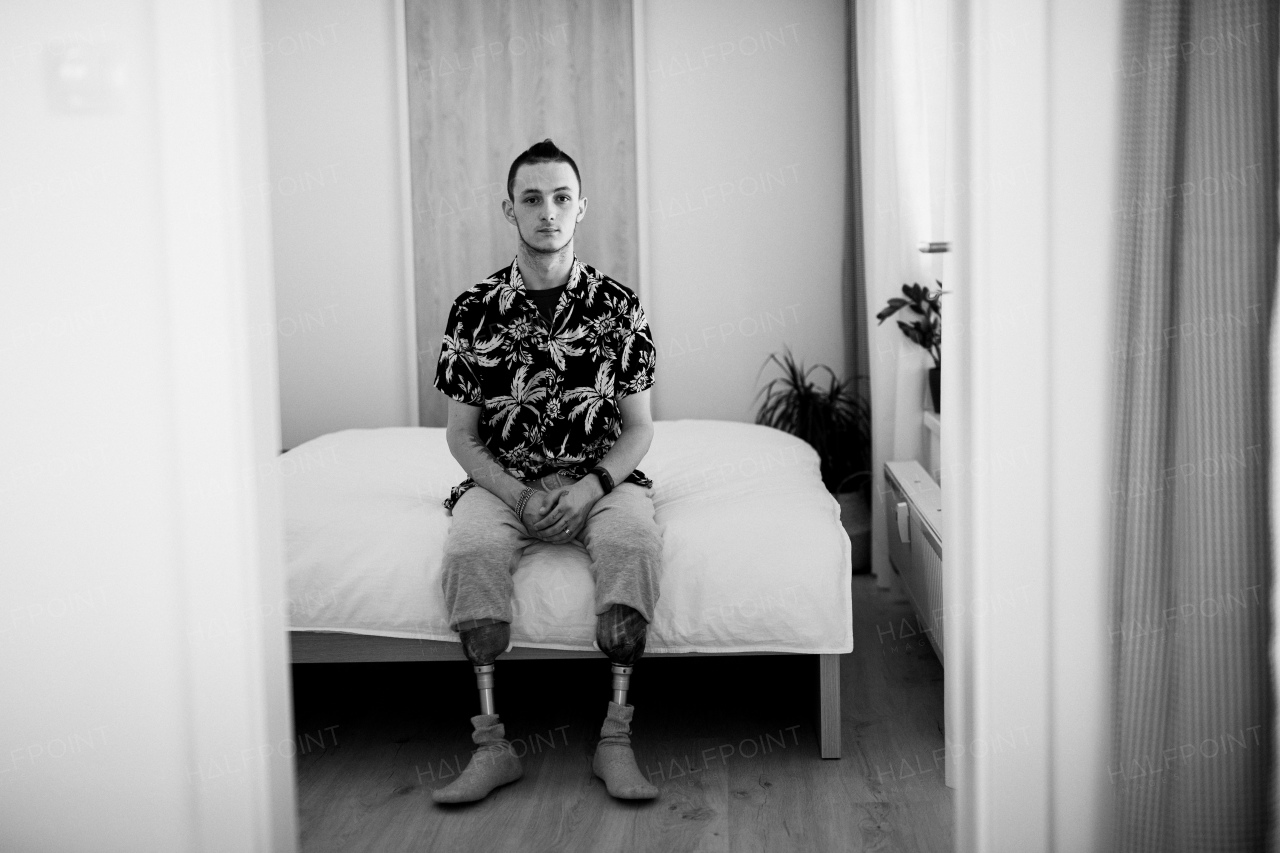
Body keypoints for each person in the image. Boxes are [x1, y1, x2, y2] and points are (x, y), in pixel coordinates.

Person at [430, 139, 662, 805]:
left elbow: (640, 426)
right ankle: (491, 745)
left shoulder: (620, 306)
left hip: (601, 479)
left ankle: (614, 739)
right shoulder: (473, 309)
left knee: (633, 545)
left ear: (581, 207)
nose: (547, 212)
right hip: (505, 482)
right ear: (510, 209)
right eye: (532, 198)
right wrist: (516, 493)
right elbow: (460, 434)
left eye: (561, 198)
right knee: (469, 549)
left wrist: (593, 487)